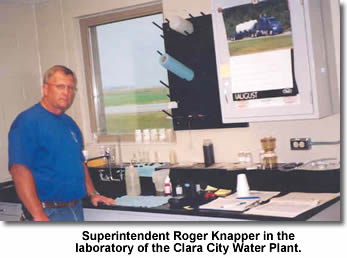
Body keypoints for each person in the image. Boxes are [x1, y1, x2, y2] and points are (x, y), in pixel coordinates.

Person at [8, 65, 115, 221]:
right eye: (60, 86)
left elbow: (79, 163)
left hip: (74, 209)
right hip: (47, 212)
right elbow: (19, 170)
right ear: (45, 89)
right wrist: (38, 215)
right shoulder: (28, 121)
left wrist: (93, 193)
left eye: (70, 88)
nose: (66, 92)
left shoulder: (69, 123)